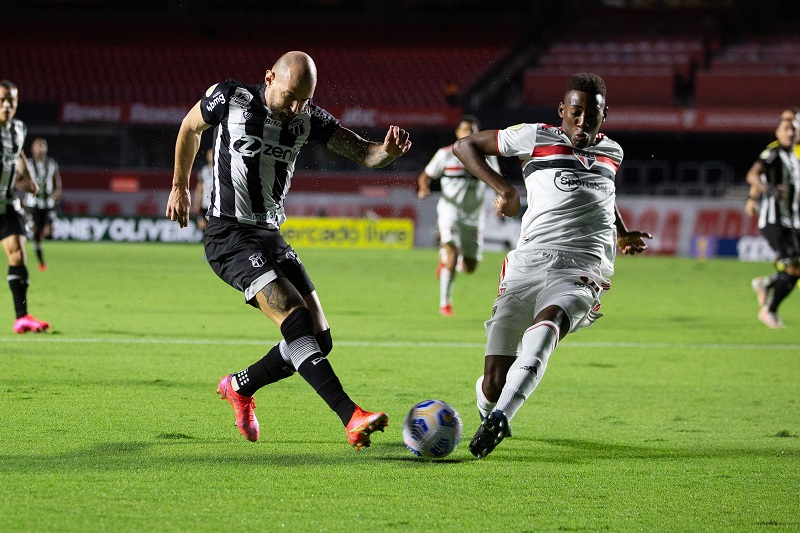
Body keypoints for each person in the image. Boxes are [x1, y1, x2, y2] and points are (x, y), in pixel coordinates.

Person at [165, 51, 411, 449]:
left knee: (319, 338)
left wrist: (388, 153)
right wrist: (178, 185)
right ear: (269, 78)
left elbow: (365, 152)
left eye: (304, 99)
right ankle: (351, 416)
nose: (296, 107)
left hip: (270, 234)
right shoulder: (230, 97)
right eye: (290, 96)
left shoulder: (307, 118)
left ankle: (240, 386)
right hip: (228, 233)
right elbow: (190, 128)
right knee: (294, 320)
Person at [452, 73, 651, 458]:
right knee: (495, 383)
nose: (581, 121)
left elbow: (602, 195)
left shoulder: (613, 152)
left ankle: (500, 420)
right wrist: (504, 188)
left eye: (590, 114)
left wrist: (622, 233)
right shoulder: (536, 136)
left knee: (549, 326)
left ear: (603, 115)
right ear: (562, 110)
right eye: (575, 112)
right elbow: (464, 146)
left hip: (582, 265)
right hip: (528, 262)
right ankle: (490, 407)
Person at [417, 115, 501, 316]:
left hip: (474, 217)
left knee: (470, 266)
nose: (468, 134)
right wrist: (423, 188)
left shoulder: (487, 157)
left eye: (472, 131)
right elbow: (426, 175)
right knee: (453, 256)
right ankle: (445, 304)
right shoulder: (445, 154)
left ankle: (446, 263)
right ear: (457, 133)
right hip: (450, 212)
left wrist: (500, 199)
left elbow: (496, 181)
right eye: (464, 130)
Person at [0, 81, 50, 334]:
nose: (7, 105)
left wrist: (28, 177)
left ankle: (22, 317)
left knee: (18, 254)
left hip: (7, 202)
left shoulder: (18, 129)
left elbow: (18, 154)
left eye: (12, 100)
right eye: (2, 100)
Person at [746, 110, 800, 329]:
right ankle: (769, 310)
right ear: (778, 132)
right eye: (785, 129)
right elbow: (752, 174)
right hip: (774, 220)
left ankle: (766, 283)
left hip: (792, 220)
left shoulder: (794, 157)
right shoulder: (773, 153)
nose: (789, 133)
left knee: (796, 268)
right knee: (795, 267)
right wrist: (765, 191)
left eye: (793, 129)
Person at [24, 137, 62, 271]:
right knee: (34, 233)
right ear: (32, 149)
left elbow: (56, 180)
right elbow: (20, 180)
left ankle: (42, 232)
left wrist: (58, 192)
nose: (41, 148)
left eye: (43, 146)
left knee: (49, 231)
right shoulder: (27, 163)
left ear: (46, 149)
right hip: (32, 204)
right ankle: (41, 262)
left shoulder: (52, 164)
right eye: (38, 146)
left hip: (48, 204)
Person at [191, 147, 213, 231]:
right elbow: (199, 188)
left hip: (217, 204)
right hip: (205, 204)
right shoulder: (204, 170)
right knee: (202, 226)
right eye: (210, 154)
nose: (211, 156)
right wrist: (197, 203)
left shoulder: (221, 169)